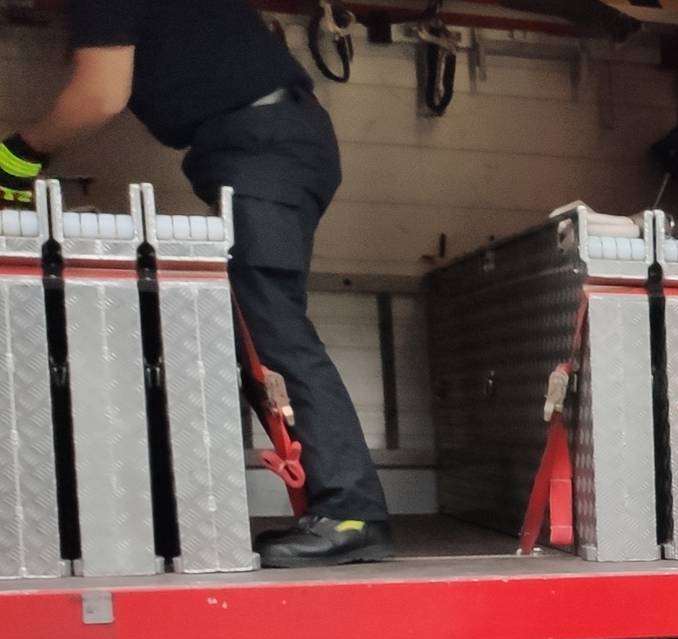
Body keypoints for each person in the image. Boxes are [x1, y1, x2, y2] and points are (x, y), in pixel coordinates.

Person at [4, 0, 392, 567]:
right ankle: (332, 509)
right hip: (269, 141)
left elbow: (99, 96)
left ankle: (353, 514)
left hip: (265, 145)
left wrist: (17, 154)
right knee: (253, 331)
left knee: (270, 329)